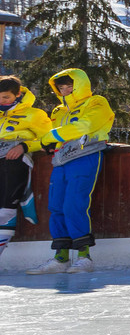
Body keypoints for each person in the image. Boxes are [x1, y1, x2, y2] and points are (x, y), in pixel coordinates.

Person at [25, 69, 115, 274]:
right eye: (60, 87)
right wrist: (24, 146)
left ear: (80, 84)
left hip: (86, 155)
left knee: (75, 203)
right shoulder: (59, 111)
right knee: (56, 207)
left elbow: (85, 126)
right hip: (61, 160)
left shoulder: (97, 102)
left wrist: (52, 136)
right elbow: (46, 137)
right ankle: (61, 258)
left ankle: (84, 257)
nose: (64, 90)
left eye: (68, 85)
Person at [0, 75, 52, 268]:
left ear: (18, 94)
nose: (1, 101)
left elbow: (49, 138)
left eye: (5, 97)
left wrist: (23, 146)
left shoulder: (34, 114)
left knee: (5, 207)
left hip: (14, 161)